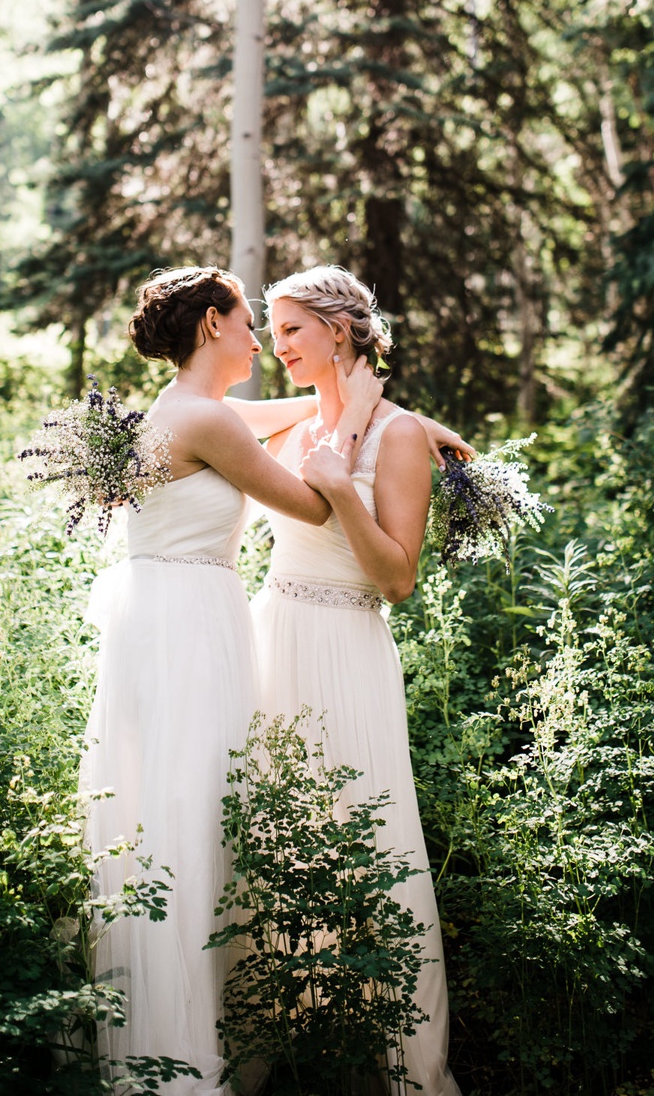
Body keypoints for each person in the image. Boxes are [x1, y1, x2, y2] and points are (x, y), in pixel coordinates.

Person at [80, 265, 384, 1093]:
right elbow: (315, 504)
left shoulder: (184, 410)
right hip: (186, 630)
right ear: (213, 324)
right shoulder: (207, 423)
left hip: (167, 615)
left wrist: (376, 413)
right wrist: (354, 433)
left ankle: (189, 1024)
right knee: (197, 808)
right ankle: (186, 1057)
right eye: (250, 322)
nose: (259, 340)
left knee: (177, 807)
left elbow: (271, 415)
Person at [250, 265, 464, 1096]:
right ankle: (285, 1030)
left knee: (364, 835)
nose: (278, 346)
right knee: (268, 831)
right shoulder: (300, 424)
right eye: (270, 331)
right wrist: (329, 433)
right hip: (272, 637)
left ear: (339, 329)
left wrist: (342, 491)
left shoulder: (399, 437)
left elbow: (398, 580)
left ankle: (391, 1055)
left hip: (346, 643)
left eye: (292, 329)